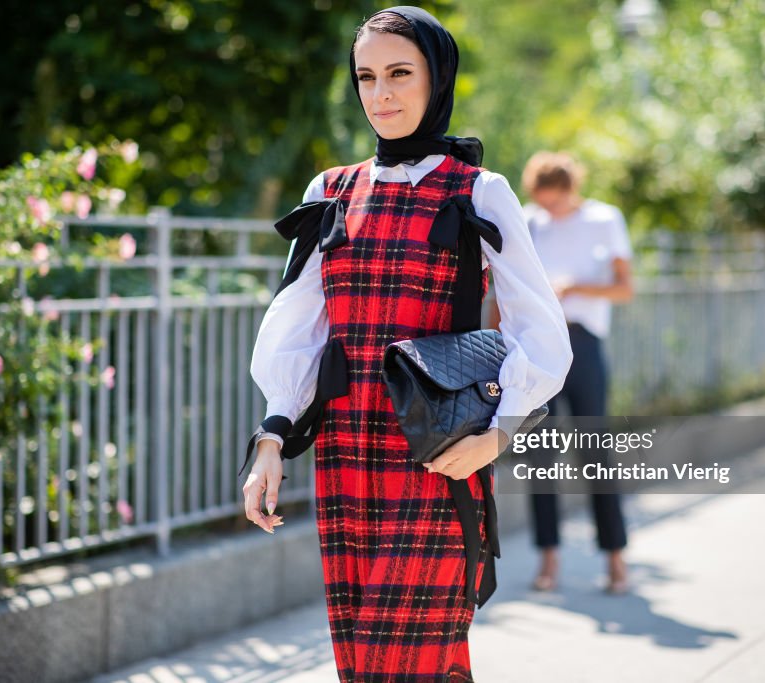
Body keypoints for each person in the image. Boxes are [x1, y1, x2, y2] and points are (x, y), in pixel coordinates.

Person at [241, 7, 572, 681]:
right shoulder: (330, 191)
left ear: (437, 78)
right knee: (362, 660)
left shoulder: (480, 190)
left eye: (399, 73)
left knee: (411, 659)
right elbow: (298, 323)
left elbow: (542, 331)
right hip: (346, 451)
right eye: (366, 77)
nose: (381, 94)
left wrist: (501, 434)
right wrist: (271, 439)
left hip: (437, 452)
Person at [520, 150, 633, 593]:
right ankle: (548, 560)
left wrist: (574, 287)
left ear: (571, 189)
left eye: (555, 201)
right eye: (542, 201)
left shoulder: (605, 219)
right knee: (539, 456)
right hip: (537, 347)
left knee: (595, 452)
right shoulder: (529, 222)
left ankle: (615, 559)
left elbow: (625, 289)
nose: (549, 210)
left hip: (583, 342)